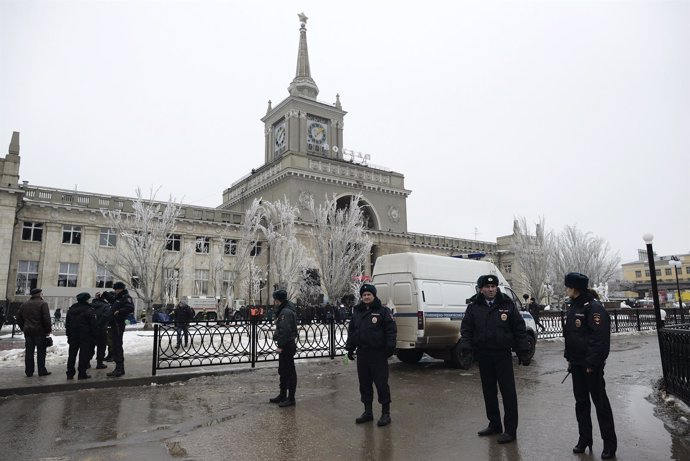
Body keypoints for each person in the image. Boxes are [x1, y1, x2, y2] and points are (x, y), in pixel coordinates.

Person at [459, 275, 530, 444]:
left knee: (508, 393)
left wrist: (523, 350)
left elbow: (519, 328)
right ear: (480, 289)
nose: (491, 289)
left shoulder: (506, 304)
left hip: (502, 354)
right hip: (483, 355)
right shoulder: (474, 306)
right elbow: (467, 330)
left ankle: (510, 430)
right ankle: (494, 424)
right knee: (489, 392)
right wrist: (467, 350)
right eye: (487, 286)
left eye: (493, 286)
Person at [563, 272, 617, 459]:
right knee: (581, 404)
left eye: (568, 286)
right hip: (577, 365)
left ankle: (609, 444)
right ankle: (584, 438)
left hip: (590, 367)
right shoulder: (573, 306)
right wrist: (570, 359)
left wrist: (592, 363)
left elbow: (600, 339)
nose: (566, 289)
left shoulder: (594, 308)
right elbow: (572, 336)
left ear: (575, 288)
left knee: (600, 405)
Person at [345, 284, 397, 427]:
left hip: (378, 354)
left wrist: (389, 349)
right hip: (363, 353)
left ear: (374, 296)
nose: (366, 297)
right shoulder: (357, 312)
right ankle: (368, 412)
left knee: (381, 384)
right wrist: (349, 348)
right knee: (364, 384)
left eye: (369, 294)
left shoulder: (383, 311)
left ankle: (385, 413)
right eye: (364, 295)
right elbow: (353, 332)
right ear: (361, 297)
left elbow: (391, 331)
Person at [269, 289, 298, 407]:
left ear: (277, 300)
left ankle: (290, 398)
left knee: (289, 372)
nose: (273, 302)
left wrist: (280, 345)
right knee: (283, 371)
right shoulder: (285, 310)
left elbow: (285, 331)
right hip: (287, 344)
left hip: (287, 345)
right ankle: (282, 394)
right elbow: (282, 328)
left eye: (274, 299)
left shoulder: (285, 312)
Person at [16, 288, 53, 377]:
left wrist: (24, 328)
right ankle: (41, 371)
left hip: (28, 332)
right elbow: (46, 318)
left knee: (29, 353)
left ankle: (29, 372)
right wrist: (48, 330)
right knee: (41, 352)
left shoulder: (24, 304)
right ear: (39, 294)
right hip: (40, 332)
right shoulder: (43, 304)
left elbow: (18, 318)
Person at [65, 292, 98, 380]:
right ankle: (82, 373)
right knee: (84, 355)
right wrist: (95, 337)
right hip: (85, 336)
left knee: (72, 354)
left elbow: (67, 324)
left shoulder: (71, 309)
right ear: (86, 299)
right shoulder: (89, 309)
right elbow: (93, 325)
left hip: (73, 335)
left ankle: (70, 373)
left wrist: (68, 335)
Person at [107, 282, 134, 378]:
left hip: (119, 324)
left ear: (120, 289)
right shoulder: (118, 297)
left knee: (117, 345)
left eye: (116, 289)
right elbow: (114, 302)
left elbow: (130, 308)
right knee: (115, 345)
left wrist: (120, 311)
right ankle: (119, 368)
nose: (115, 291)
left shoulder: (125, 297)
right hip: (114, 324)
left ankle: (119, 368)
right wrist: (105, 295)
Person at [91, 292, 113, 369]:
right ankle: (99, 363)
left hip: (91, 329)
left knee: (90, 346)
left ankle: (86, 362)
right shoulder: (106, 306)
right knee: (101, 347)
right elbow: (106, 317)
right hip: (101, 329)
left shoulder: (90, 305)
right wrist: (99, 325)